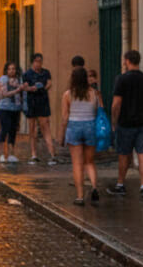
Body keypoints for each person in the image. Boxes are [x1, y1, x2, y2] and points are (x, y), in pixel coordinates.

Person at [108, 50, 143, 198]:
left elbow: (116, 103)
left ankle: (121, 184)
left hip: (126, 122)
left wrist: (114, 121)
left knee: (124, 154)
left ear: (127, 61)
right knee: (142, 154)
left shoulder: (121, 79)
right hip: (142, 122)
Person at [60, 67, 101, 205]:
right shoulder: (93, 93)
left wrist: (62, 134)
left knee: (77, 164)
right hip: (89, 125)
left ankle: (80, 196)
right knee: (89, 162)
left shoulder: (68, 94)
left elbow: (65, 117)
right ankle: (94, 187)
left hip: (74, 126)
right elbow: (96, 111)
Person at [22, 53, 57, 165]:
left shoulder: (46, 72)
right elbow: (25, 86)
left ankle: (52, 155)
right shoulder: (27, 74)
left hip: (43, 102)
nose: (39, 63)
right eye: (37, 61)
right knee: (32, 130)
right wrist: (31, 89)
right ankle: (34, 155)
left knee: (45, 127)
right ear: (33, 62)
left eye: (40, 61)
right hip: (32, 103)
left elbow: (49, 83)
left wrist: (42, 87)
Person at [0, 61, 25, 162]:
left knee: (13, 130)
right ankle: (2, 153)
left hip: (15, 108)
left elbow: (22, 93)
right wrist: (18, 90)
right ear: (6, 70)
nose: (12, 71)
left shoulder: (19, 79)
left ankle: (11, 153)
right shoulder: (3, 79)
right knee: (5, 129)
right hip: (4, 108)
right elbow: (4, 93)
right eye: (10, 69)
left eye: (13, 69)